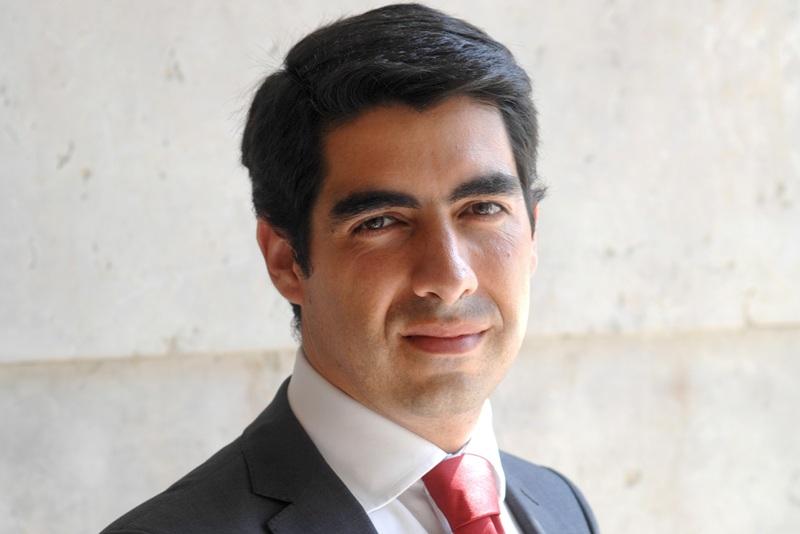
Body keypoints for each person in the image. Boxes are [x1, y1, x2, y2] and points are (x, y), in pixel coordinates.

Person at [101, 3, 598, 533]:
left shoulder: (560, 506)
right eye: (381, 222)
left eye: (482, 209)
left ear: (532, 233)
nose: (451, 278)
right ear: (286, 260)